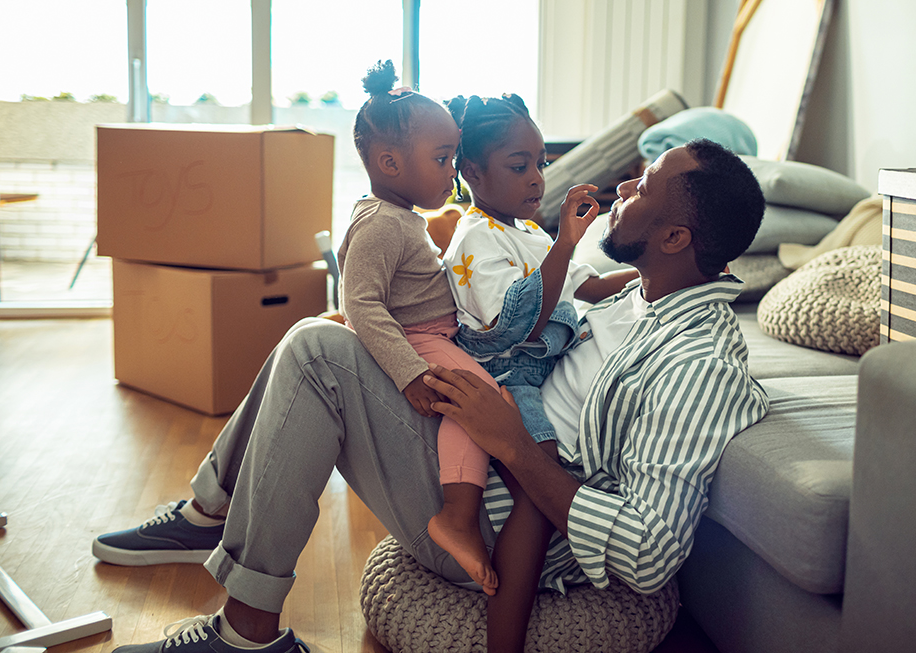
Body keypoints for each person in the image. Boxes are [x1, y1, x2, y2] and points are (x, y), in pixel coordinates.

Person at [92, 137, 770, 653]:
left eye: (645, 184)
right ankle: (209, 509)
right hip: (487, 447)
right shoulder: (640, 294)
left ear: (676, 237)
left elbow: (650, 554)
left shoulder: (699, 360)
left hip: (500, 519)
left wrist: (508, 439)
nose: (626, 183)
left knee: (316, 352)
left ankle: (242, 621)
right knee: (326, 334)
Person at [439, 93, 640, 651]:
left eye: (541, 164)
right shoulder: (474, 236)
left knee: (551, 473)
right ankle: (506, 635)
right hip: (507, 377)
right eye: (518, 165)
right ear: (474, 173)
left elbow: (585, 286)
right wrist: (568, 242)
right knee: (539, 482)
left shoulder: (529, 233)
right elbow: (516, 324)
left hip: (541, 372)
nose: (536, 178)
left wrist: (650, 276)